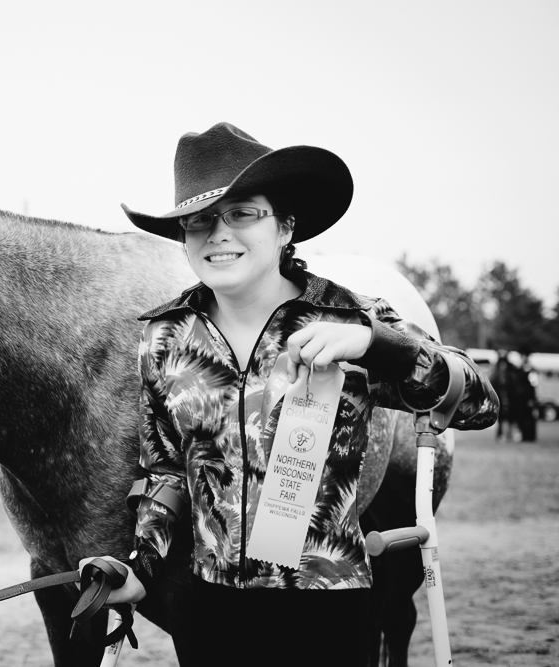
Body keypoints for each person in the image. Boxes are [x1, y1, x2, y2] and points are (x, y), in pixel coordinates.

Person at [82, 122, 499, 666]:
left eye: (242, 213)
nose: (218, 233)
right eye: (199, 221)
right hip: (209, 615)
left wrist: (378, 347)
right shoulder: (164, 338)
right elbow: (166, 471)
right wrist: (142, 565)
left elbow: (479, 404)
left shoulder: (352, 318)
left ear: (285, 227)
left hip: (329, 611)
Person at [490, 350, 517, 442]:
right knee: (500, 418)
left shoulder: (510, 376)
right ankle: (499, 434)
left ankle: (509, 434)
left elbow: (513, 388)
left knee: (510, 418)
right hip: (500, 399)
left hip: (510, 399)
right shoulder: (496, 375)